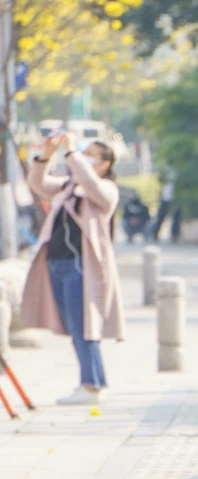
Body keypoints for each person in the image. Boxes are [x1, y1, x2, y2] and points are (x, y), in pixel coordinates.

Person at [20, 132, 125, 405]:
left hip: (81, 266)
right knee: (75, 326)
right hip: (57, 262)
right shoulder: (68, 186)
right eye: (82, 152)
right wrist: (46, 154)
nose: (83, 157)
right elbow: (38, 183)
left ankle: (90, 385)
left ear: (104, 165)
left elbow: (90, 183)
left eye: (90, 154)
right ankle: (95, 381)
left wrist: (70, 152)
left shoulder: (105, 190)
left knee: (84, 327)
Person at [152, 166, 179, 242]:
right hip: (165, 197)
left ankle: (174, 235)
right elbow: (160, 181)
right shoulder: (166, 170)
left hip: (175, 198)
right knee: (161, 216)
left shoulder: (179, 170)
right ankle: (155, 234)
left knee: (176, 217)